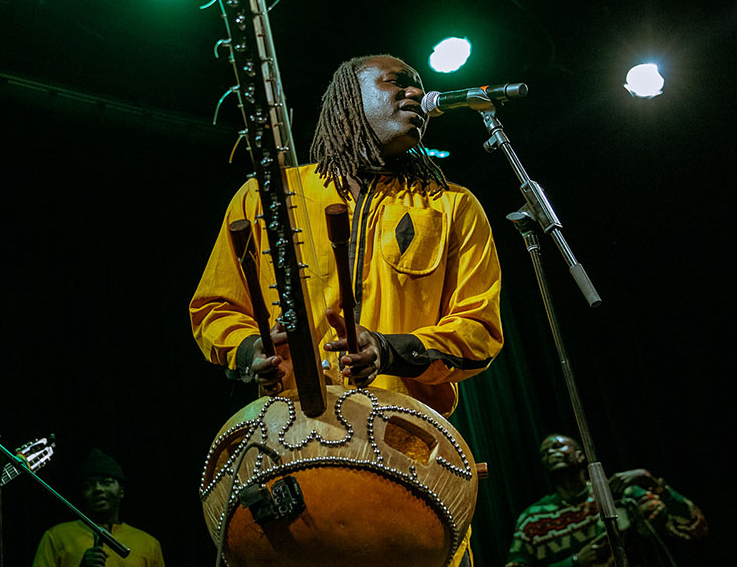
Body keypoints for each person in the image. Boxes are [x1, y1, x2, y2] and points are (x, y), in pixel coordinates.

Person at [189, 54, 505, 565]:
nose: (414, 95)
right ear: (347, 103)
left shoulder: (452, 207)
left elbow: (480, 329)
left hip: (405, 463)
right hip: (287, 451)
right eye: (396, 83)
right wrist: (250, 351)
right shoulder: (267, 197)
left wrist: (390, 350)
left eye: (419, 87)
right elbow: (214, 308)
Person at [505, 434, 707, 567]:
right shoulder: (533, 519)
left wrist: (655, 484)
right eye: (544, 453)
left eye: (558, 446)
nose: (550, 452)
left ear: (580, 456)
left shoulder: (619, 497)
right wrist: (574, 563)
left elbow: (694, 526)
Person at [33, 448, 165, 567]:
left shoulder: (148, 543)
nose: (98, 489)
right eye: (89, 485)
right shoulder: (57, 536)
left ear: (122, 491)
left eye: (106, 482)